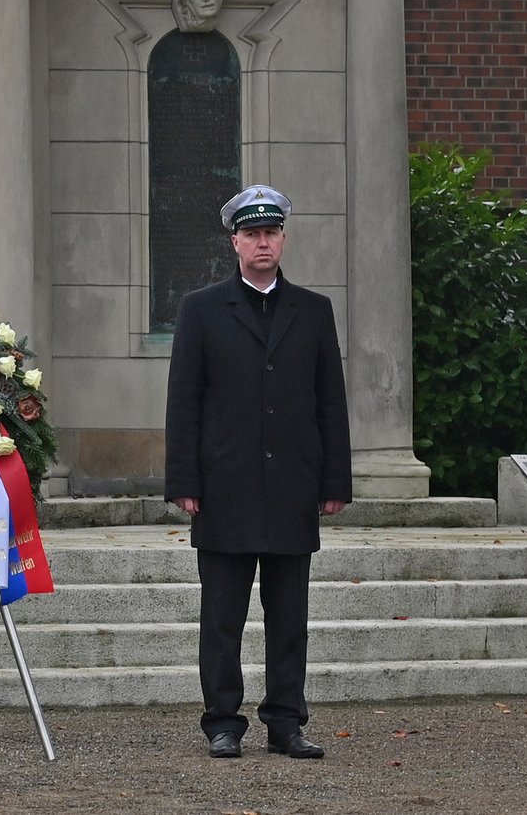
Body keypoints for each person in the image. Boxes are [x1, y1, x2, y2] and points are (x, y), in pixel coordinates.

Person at [165, 184, 351, 760]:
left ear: (283, 240)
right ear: (235, 243)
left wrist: (335, 482)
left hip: (293, 486)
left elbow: (330, 402)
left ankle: (286, 721)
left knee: (289, 617)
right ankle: (222, 720)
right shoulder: (201, 309)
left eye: (271, 233)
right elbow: (184, 402)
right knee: (222, 616)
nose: (262, 242)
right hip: (225, 488)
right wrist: (185, 483)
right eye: (252, 234)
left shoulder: (314, 311)